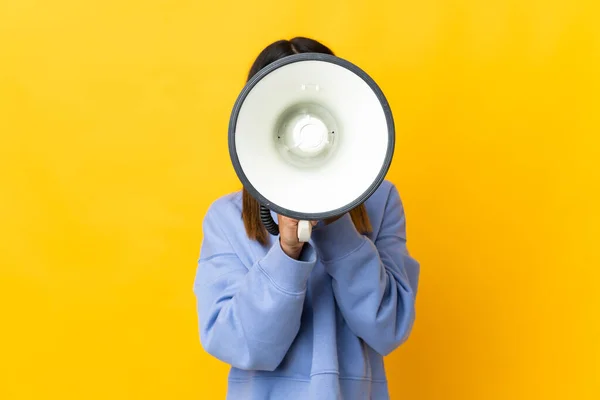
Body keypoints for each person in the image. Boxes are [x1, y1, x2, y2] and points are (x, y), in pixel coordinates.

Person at [193, 37, 421, 400]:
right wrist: (286, 250)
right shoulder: (226, 219)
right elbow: (239, 344)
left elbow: (388, 327)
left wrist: (337, 224)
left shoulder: (381, 202)